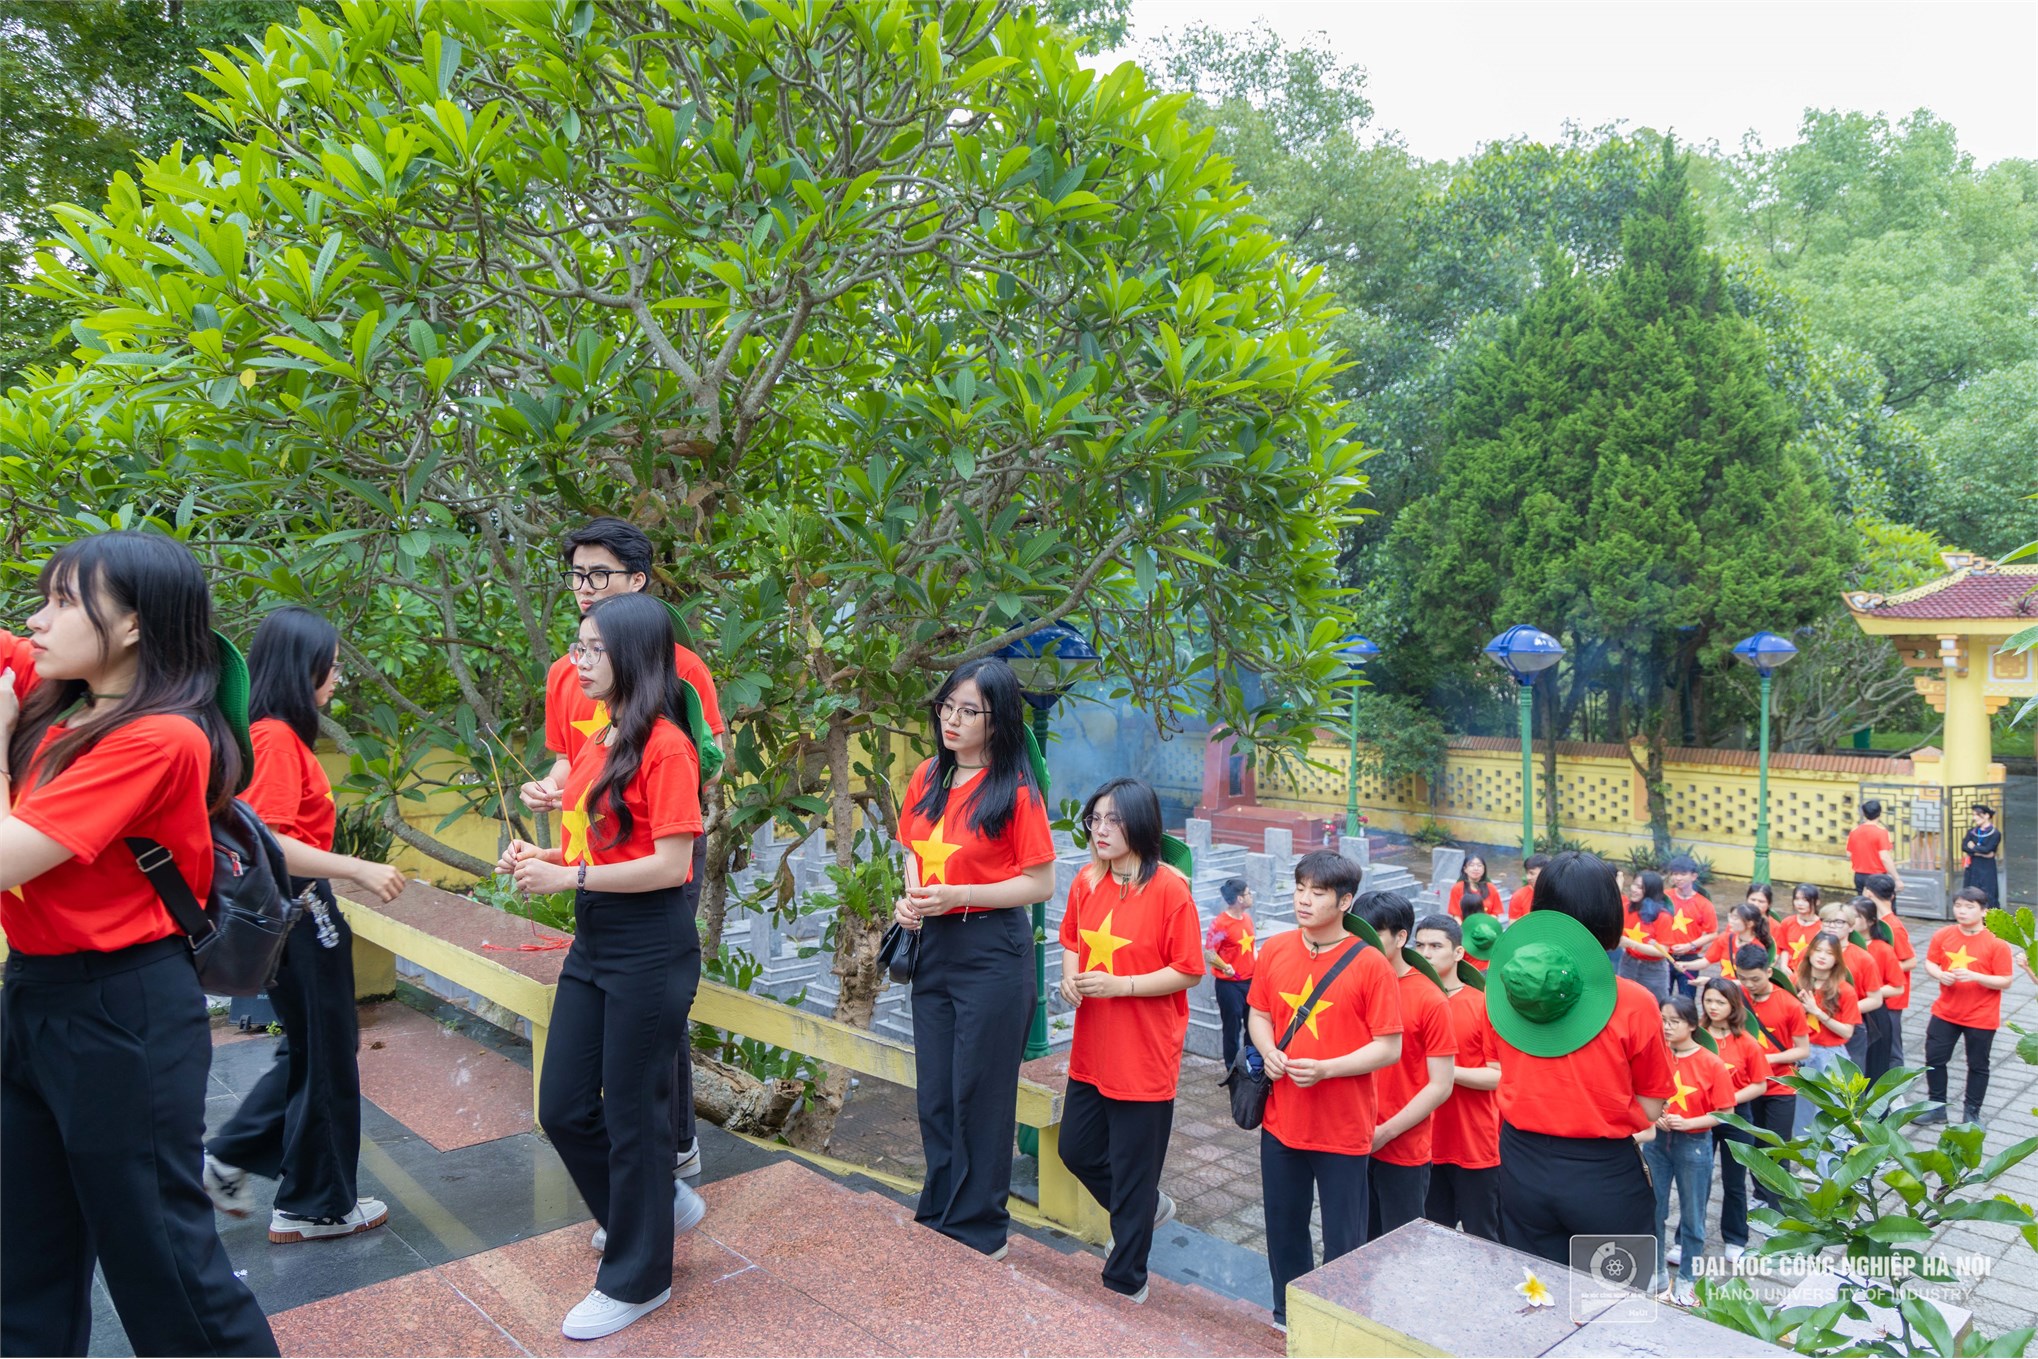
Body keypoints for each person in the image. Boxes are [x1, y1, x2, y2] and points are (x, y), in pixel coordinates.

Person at [0, 531, 278, 1356]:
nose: (37, 620)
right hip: (36, 994)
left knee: (162, 1260)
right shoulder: (63, 699)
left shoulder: (159, 737)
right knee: (25, 1253)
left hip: (123, 1008)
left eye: (62, 601)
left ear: (131, 624)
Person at [500, 593, 706, 1340]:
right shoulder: (601, 738)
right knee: (562, 1105)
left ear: (634, 657)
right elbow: (592, 845)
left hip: (650, 943)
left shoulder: (666, 747)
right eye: (577, 646)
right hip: (596, 940)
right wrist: (543, 856)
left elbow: (673, 865)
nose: (579, 662)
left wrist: (570, 878)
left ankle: (638, 1277)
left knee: (634, 1114)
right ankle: (652, 1212)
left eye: (594, 649)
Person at [520, 516, 724, 1182]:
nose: (584, 586)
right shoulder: (567, 672)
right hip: (591, 861)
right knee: (587, 1069)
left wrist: (638, 785)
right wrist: (554, 794)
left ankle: (673, 1148)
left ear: (638, 580)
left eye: (599, 574)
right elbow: (570, 761)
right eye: (576, 574)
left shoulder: (679, 670)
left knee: (652, 1020)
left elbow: (703, 759)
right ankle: (643, 1183)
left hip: (654, 853)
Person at [202, 608, 407, 1242]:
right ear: (303, 668)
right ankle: (313, 1206)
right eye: (332, 665)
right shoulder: (274, 738)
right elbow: (268, 843)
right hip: (299, 911)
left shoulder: (273, 734)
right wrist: (358, 867)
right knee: (326, 1054)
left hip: (301, 911)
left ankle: (234, 1156)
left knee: (312, 1048)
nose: (338, 677)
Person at [892, 658, 1056, 1258]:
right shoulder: (927, 776)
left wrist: (960, 896)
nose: (952, 720)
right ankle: (939, 1212)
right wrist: (909, 900)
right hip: (934, 946)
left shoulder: (1014, 791)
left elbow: (1040, 883)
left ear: (997, 720)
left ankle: (980, 1228)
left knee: (980, 1096)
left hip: (992, 952)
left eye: (969, 711)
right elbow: (912, 852)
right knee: (936, 1093)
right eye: (947, 707)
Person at [1485, 851, 1675, 1265]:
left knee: (1534, 1288)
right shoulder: (1634, 1002)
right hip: (1601, 1172)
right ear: (1607, 913)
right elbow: (1651, 1106)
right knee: (1613, 1295)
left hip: (1519, 1163)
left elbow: (1499, 1066)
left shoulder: (1505, 989)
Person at [1056, 777, 1203, 1301]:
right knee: (1076, 1149)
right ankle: (1145, 1206)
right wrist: (1069, 977)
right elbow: (1071, 939)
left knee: (1134, 1168)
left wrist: (1125, 986)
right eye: (1094, 819)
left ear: (1139, 824)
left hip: (1144, 1051)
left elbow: (1189, 970)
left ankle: (1125, 1282)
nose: (1099, 830)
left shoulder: (1170, 890)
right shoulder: (1086, 880)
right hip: (1093, 1046)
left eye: (1112, 820)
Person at [1249, 850, 1404, 1330]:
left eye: (1317, 893)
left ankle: (1338, 1324)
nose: (1304, 900)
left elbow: (1389, 1047)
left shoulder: (1370, 964)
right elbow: (1258, 1013)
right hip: (1282, 1121)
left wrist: (1327, 1069)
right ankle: (1287, 1316)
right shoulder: (1276, 948)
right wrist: (1268, 1050)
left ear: (1345, 901)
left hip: (1343, 1128)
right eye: (1300, 888)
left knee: (1344, 1238)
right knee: (1283, 1227)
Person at [1353, 891, 1456, 1241]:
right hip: (1350, 1140)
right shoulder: (1353, 983)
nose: (1363, 944)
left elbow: (1440, 1085)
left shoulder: (1429, 998)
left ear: (1400, 938)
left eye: (1374, 935)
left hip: (1402, 1148)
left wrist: (1385, 1132)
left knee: (1399, 1248)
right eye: (1359, 934)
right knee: (1353, 1244)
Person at [1412, 915, 1501, 1242]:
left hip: (1472, 1141)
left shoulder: (1482, 1004)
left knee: (1483, 1236)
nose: (1426, 953)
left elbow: (1498, 1076)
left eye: (1436, 946)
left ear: (1459, 952)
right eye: (1420, 945)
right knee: (1432, 1235)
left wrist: (1443, 1073)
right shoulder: (1411, 997)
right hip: (1422, 1140)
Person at [1647, 996, 1736, 1305]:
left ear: (1693, 1025)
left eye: (1674, 1021)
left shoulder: (1711, 1063)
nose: (1667, 1027)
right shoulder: (1655, 1054)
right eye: (1662, 1020)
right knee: (1653, 1208)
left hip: (1694, 1144)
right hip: (1656, 1143)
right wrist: (1655, 1117)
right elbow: (1640, 1093)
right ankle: (1656, 1271)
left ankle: (1687, 1278)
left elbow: (1726, 1112)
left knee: (1693, 1216)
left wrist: (1690, 1123)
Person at [1919, 888, 2016, 1126]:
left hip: (1981, 1016)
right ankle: (1937, 1107)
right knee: (1934, 1058)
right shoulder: (1943, 934)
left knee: (1978, 1065)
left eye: (1969, 907)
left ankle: (1972, 1113)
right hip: (1945, 1011)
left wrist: (1975, 976)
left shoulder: (1997, 943)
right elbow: (1930, 962)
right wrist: (1939, 974)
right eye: (1958, 906)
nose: (1962, 911)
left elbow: (2005, 980)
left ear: (1984, 911)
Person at [1699, 978, 1770, 1262]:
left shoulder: (1747, 1042)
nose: (1713, 1007)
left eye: (1720, 1002)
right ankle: (1687, 1238)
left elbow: (1759, 1084)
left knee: (1734, 1181)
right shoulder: (1696, 1036)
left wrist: (1727, 1100)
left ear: (1734, 1005)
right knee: (1697, 1181)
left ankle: (1736, 1237)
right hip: (1701, 1117)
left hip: (1737, 1118)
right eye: (1708, 1000)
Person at [1733, 945, 1810, 1205]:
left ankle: (1778, 1206)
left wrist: (1765, 1059)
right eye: (1742, 978)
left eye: (1755, 979)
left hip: (1780, 1086)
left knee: (1777, 1148)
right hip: (1749, 1085)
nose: (1749, 984)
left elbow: (1802, 1050)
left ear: (1769, 972)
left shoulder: (1789, 1004)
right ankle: (1760, 1194)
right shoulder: (1737, 997)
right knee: (1755, 1145)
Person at [1816, 899, 1884, 1073]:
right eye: (1827, 921)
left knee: (1848, 1079)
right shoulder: (1810, 954)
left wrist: (1844, 1011)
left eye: (1839, 922)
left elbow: (1875, 999)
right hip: (1813, 1023)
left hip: (1850, 1025)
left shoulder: (1863, 958)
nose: (1832, 926)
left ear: (1851, 927)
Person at [1205, 876, 1259, 1078]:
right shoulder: (1220, 924)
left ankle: (1251, 1065)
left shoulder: (1247, 918)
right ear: (1239, 898)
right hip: (1229, 986)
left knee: (1253, 1026)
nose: (1251, 896)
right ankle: (1233, 1070)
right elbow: (1209, 953)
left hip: (1250, 982)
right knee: (1232, 1028)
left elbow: (1252, 948)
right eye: (1248, 893)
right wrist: (1224, 966)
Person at [1794, 933, 1861, 1097]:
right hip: (1799, 1051)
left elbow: (1847, 1032)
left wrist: (1817, 1012)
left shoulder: (1845, 990)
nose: (1822, 956)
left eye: (1829, 953)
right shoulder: (1795, 981)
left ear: (1837, 959)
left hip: (1830, 1054)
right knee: (1801, 1106)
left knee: (1832, 1105)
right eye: (1818, 950)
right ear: (1810, 952)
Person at [1862, 873, 1916, 1068]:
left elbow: (1910, 961)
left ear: (1868, 893)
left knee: (1892, 1049)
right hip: (1878, 996)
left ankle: (1896, 1084)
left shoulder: (1892, 926)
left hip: (1890, 999)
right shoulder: (1879, 921)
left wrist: (1882, 971)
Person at [1848, 896, 1903, 1081]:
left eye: (1856, 916)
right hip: (1842, 1013)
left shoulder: (1882, 949)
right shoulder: (1838, 946)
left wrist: (1870, 994)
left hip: (1873, 1015)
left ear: (1871, 921)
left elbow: (1897, 988)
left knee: (1873, 1068)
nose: (1850, 920)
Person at [1616, 870, 1675, 1000]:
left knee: (1655, 1004)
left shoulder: (1662, 916)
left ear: (1651, 891)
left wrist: (1631, 943)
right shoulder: (1627, 908)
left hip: (1653, 970)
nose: (1634, 889)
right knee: (1624, 1000)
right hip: (1628, 963)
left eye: (1640, 887)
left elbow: (1662, 951)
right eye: (1634, 884)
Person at [1664, 863, 1717, 998]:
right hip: (1664, 956)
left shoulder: (1704, 904)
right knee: (1662, 998)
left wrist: (1690, 945)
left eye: (1683, 874)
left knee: (1687, 999)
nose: (1678, 878)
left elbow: (1712, 933)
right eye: (1675, 874)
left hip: (1690, 959)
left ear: (1694, 876)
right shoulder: (1665, 897)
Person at [1704, 902, 1774, 981]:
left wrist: (1709, 980)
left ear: (1749, 924)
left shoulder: (1756, 948)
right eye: (1731, 917)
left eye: (1736, 918)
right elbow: (1706, 961)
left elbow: (1751, 981)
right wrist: (1690, 965)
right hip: (1724, 985)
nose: (1731, 922)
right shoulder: (1725, 938)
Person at [1847, 800, 1899, 894]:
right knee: (1882, 902)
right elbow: (1884, 857)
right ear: (1880, 814)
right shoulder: (1881, 832)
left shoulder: (1854, 831)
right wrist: (1897, 879)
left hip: (1859, 876)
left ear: (1864, 814)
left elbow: (1849, 854)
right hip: (1877, 877)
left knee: (1863, 902)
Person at [1774, 883, 1824, 970]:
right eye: (1796, 899)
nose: (1800, 903)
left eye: (1805, 900)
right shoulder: (1787, 922)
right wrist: (1784, 965)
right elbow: (1783, 947)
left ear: (1817, 902)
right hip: (1789, 970)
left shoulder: (1823, 926)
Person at [1960, 805, 2001, 907]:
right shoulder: (1972, 832)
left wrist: (1973, 848)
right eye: (1973, 815)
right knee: (1971, 890)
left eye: (1977, 815)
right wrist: (1979, 852)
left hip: (1987, 867)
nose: (1974, 818)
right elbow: (1964, 847)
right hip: (1973, 865)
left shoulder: (1995, 833)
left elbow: (1988, 850)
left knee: (1987, 891)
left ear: (1986, 816)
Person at [1447, 854, 1502, 922]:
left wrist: (1484, 925)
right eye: (1471, 865)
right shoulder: (1457, 888)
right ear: (1465, 869)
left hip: (1486, 925)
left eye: (1479, 865)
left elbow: (1495, 914)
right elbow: (1456, 915)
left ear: (1484, 869)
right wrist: (1463, 927)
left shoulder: (1491, 888)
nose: (1476, 868)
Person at [1508, 854, 1548, 923]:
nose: (1528, 877)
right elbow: (1513, 924)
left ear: (1544, 873)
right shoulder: (1518, 896)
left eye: (1532, 873)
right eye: (1527, 873)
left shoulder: (1554, 893)